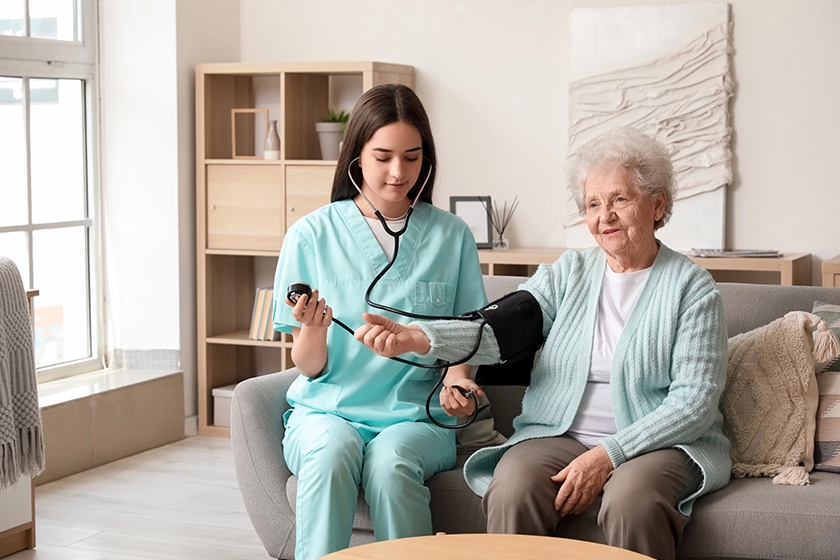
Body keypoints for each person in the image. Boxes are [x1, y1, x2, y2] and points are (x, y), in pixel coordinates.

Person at [355, 127, 732, 560]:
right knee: (513, 489)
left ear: (657, 204)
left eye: (620, 200)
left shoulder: (692, 288)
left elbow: (694, 403)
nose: (604, 216)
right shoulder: (569, 273)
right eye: (593, 204)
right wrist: (420, 337)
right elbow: (501, 328)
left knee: (635, 502)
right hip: (561, 432)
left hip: (659, 443)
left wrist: (609, 455)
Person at [272, 83, 488, 560]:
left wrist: (459, 385)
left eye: (412, 158)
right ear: (356, 156)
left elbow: (467, 338)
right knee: (329, 454)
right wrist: (313, 329)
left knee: (391, 465)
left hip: (415, 416)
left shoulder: (451, 236)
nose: (398, 172)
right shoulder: (309, 234)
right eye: (383, 156)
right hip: (326, 412)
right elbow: (307, 368)